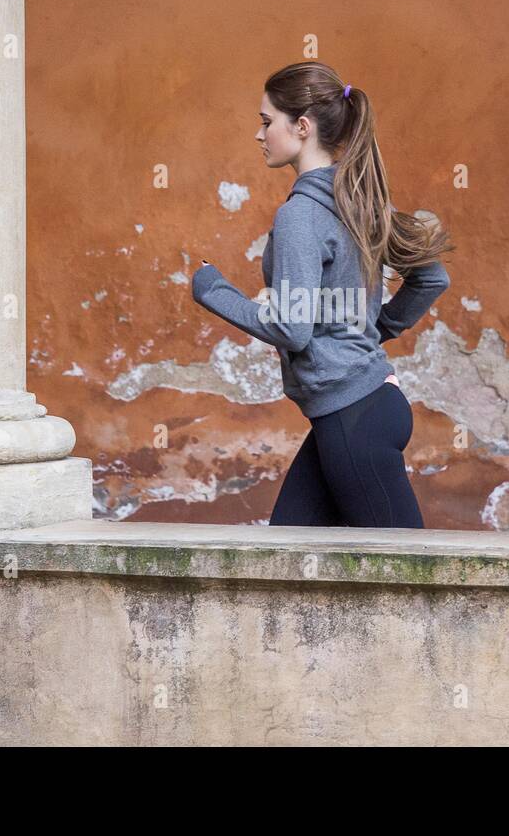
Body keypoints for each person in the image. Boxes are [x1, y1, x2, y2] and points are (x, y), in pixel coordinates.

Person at [191, 61, 453, 528]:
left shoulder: (301, 215)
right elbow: (432, 279)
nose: (260, 135)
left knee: (409, 576)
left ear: (303, 127)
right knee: (290, 554)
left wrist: (214, 290)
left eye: (267, 122)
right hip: (362, 412)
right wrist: (372, 331)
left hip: (354, 418)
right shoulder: (363, 200)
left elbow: (291, 330)